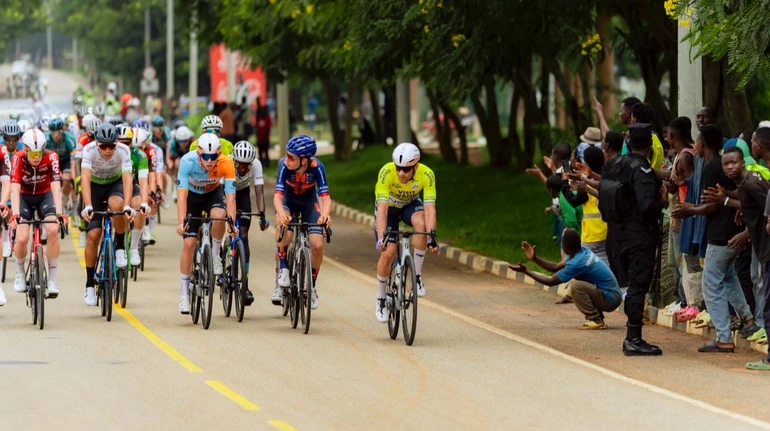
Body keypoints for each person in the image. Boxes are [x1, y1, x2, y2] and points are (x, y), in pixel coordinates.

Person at [671, 125, 757, 353]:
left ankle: (723, 337)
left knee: (711, 283)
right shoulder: (723, 165)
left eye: (698, 141)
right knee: (727, 276)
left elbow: (712, 206)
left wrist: (690, 209)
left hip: (721, 234)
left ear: (702, 144)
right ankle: (748, 319)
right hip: (733, 230)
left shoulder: (711, 167)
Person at [610, 123, 667, 356]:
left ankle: (632, 336)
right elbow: (647, 207)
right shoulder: (642, 170)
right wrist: (662, 201)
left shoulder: (615, 164)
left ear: (628, 143)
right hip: (639, 236)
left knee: (631, 286)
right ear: (651, 148)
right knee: (638, 287)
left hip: (617, 234)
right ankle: (633, 338)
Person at [373, 143, 438, 321]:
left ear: (415, 166)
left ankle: (416, 276)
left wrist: (432, 237)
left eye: (406, 169)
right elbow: (383, 210)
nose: (401, 173)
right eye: (399, 168)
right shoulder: (386, 172)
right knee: (389, 252)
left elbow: (430, 208)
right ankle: (380, 298)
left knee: (422, 224)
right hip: (390, 209)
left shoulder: (427, 174)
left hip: (410, 204)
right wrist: (381, 239)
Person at [509, 229, 622, 329]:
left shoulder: (577, 263)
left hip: (610, 300)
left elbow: (551, 281)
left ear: (565, 248)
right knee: (579, 283)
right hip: (613, 295)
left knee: (576, 286)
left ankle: (596, 320)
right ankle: (598, 317)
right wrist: (535, 259)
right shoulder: (581, 252)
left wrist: (526, 271)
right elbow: (555, 267)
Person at [175, 133, 238, 314]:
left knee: (219, 215)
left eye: (214, 157)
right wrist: (181, 222)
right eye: (205, 157)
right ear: (198, 153)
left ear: (219, 153)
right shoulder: (187, 162)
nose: (210, 161)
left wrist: (231, 222)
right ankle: (185, 295)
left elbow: (231, 196)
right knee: (188, 244)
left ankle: (216, 255)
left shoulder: (226, 162)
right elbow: (182, 196)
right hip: (192, 198)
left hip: (213, 194)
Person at [272, 135, 331, 310]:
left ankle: (311, 286)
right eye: (286, 155)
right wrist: (281, 213)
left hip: (308, 204)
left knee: (317, 245)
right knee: (285, 231)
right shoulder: (284, 165)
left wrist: (325, 215)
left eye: (292, 157)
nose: (287, 159)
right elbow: (277, 196)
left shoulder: (317, 167)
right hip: (288, 202)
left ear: (304, 160)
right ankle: (283, 266)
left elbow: (325, 198)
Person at [79, 123, 135, 306]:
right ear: (97, 144)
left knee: (117, 205)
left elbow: (127, 179)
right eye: (104, 146)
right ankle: (89, 284)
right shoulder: (88, 151)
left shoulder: (124, 151)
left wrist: (127, 205)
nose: (108, 150)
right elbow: (85, 179)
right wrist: (88, 205)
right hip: (94, 188)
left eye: (112, 145)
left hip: (114, 184)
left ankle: (119, 247)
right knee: (93, 235)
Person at [9, 129, 64, 298]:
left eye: (39, 152)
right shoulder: (17, 158)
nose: (36, 156)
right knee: (22, 238)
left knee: (53, 230)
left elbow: (56, 187)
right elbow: (14, 189)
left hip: (44, 196)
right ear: (25, 150)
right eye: (32, 152)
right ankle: (19, 273)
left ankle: (52, 279)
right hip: (24, 197)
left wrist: (60, 213)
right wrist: (16, 215)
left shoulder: (52, 157)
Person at [232, 141, 270, 305]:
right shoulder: (226, 162)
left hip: (242, 194)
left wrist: (262, 214)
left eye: (246, 166)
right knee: (222, 224)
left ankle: (244, 283)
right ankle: (218, 256)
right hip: (226, 192)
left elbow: (259, 193)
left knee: (244, 234)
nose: (242, 169)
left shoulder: (256, 164)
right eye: (239, 165)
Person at [116, 126, 152, 266]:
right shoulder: (111, 152)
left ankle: (134, 247)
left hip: (131, 183)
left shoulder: (140, 155)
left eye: (127, 143)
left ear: (132, 143)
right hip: (113, 185)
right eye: (121, 142)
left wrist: (144, 202)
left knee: (139, 206)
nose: (124, 146)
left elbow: (143, 181)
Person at [45, 118, 77, 211]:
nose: (55, 136)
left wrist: (73, 175)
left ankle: (65, 199)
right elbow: (44, 157)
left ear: (62, 131)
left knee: (66, 179)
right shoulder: (46, 139)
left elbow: (73, 159)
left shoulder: (69, 138)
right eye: (53, 133)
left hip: (66, 160)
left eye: (58, 133)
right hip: (52, 160)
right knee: (53, 180)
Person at [1, 122, 21, 259]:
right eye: (8, 139)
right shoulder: (2, 149)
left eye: (14, 140)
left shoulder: (21, 150)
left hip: (17, 180)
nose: (11, 143)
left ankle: (10, 235)